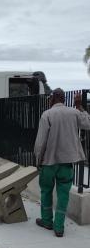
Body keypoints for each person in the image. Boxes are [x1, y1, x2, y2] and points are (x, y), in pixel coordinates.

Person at [34, 88, 90, 237]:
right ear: (64, 99)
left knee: (46, 191)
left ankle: (47, 221)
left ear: (52, 99)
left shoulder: (47, 115)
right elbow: (88, 123)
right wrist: (79, 106)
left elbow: (40, 142)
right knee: (63, 194)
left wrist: (38, 160)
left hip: (48, 162)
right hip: (67, 163)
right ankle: (59, 228)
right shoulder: (74, 112)